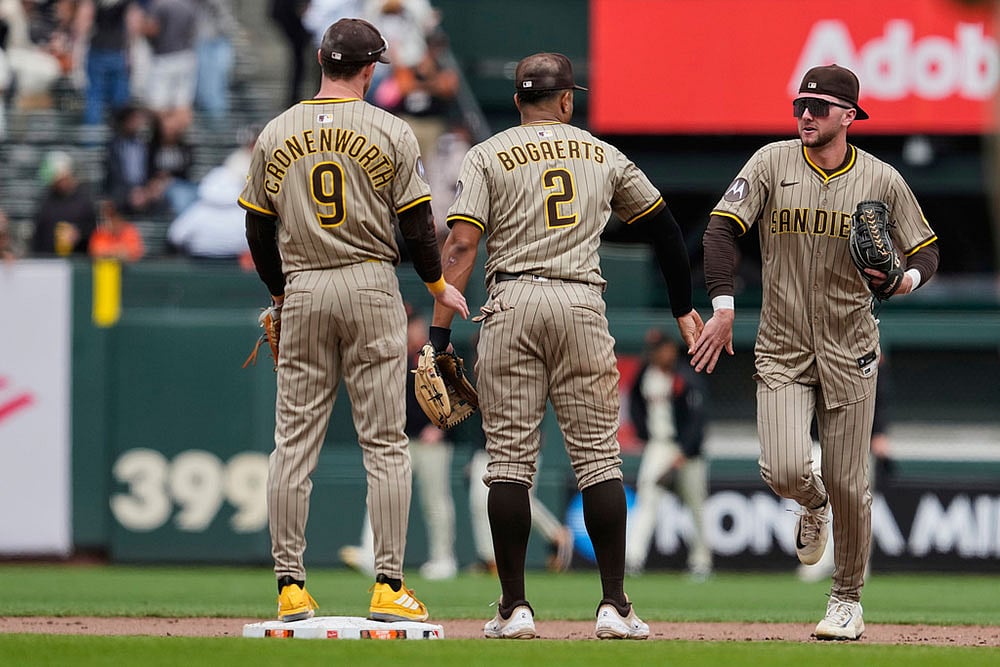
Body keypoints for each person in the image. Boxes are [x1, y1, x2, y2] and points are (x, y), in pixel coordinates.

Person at [429, 52, 703, 640]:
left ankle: (514, 610)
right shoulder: (602, 154)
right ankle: (613, 605)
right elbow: (664, 229)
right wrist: (683, 309)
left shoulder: (487, 154)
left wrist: (437, 333)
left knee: (508, 464)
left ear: (518, 101)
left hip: (511, 302)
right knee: (599, 460)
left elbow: (460, 245)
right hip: (580, 301)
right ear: (568, 100)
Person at [690, 64, 940, 641]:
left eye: (819, 107)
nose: (806, 115)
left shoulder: (881, 179)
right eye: (800, 105)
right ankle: (811, 501)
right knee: (782, 468)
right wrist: (724, 306)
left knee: (852, 478)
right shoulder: (771, 162)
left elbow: (926, 252)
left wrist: (902, 282)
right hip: (782, 343)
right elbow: (721, 231)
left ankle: (846, 599)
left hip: (852, 346)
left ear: (849, 116)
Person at [239, 17, 468, 624]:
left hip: (305, 283)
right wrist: (438, 285)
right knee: (386, 444)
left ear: (320, 59)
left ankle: (291, 586)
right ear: (370, 70)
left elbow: (258, 230)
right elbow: (419, 226)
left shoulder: (276, 130)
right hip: (370, 282)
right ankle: (388, 586)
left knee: (292, 445)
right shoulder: (390, 129)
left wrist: (280, 294)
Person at [340, 307, 460, 581]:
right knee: (385, 494)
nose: (410, 331)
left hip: (432, 442)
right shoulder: (395, 359)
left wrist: (441, 427)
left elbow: (459, 396)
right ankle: (371, 554)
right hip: (402, 439)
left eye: (412, 325)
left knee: (436, 501)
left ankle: (444, 560)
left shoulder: (438, 356)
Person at [626, 330, 712, 581]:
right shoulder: (646, 373)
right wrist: (643, 434)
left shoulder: (686, 375)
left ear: (671, 349)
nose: (656, 353)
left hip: (686, 450)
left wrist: (685, 451)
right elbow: (634, 403)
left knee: (695, 506)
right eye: (653, 349)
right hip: (658, 446)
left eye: (660, 348)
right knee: (647, 500)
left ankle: (701, 562)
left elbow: (698, 418)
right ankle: (634, 558)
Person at [31, 150, 98, 256]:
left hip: (78, 261)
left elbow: (94, 231)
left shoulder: (84, 200)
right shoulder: (46, 201)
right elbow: (38, 235)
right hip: (49, 262)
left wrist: (79, 234)